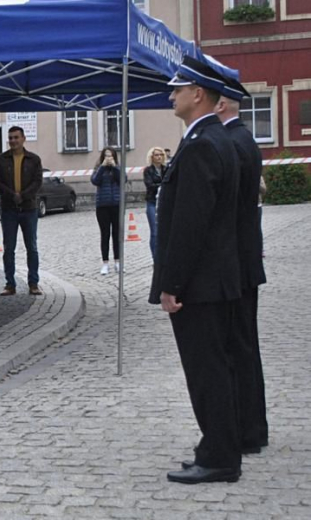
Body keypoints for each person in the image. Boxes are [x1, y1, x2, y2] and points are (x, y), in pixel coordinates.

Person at [149, 56, 242, 484]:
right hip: (214, 280)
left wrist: (172, 284)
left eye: (178, 89)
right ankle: (216, 447)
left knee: (206, 372)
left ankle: (220, 457)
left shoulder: (203, 143)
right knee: (214, 369)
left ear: (198, 94)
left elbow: (190, 225)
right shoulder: (213, 138)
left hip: (200, 285)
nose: (172, 95)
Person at [215, 77, 269, 455]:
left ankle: (246, 430)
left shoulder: (233, 143)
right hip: (244, 257)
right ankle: (252, 428)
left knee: (238, 348)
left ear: (220, 106)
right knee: (245, 346)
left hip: (235, 260)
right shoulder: (243, 139)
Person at [0, 126, 43, 296]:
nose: (13, 141)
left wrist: (24, 195)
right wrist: (11, 195)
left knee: (32, 247)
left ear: (23, 139)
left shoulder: (34, 159)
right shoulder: (0, 159)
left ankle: (33, 283)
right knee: (9, 248)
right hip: (8, 209)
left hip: (29, 208)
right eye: (11, 138)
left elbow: (37, 182)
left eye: (16, 137)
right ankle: (10, 283)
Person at [91, 147, 122, 275]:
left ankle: (118, 262)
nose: (109, 158)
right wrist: (102, 167)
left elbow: (123, 180)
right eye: (106, 156)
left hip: (116, 204)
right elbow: (95, 181)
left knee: (117, 234)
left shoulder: (118, 168)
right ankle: (105, 263)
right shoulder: (99, 169)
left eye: (111, 156)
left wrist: (115, 167)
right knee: (105, 234)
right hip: (102, 205)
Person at [143, 147, 167, 261]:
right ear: (151, 157)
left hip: (164, 202)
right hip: (152, 202)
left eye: (161, 154)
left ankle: (164, 256)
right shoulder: (148, 170)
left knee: (164, 230)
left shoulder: (166, 169)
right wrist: (162, 186)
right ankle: (155, 258)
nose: (159, 157)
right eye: (156, 155)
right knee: (155, 231)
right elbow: (149, 185)